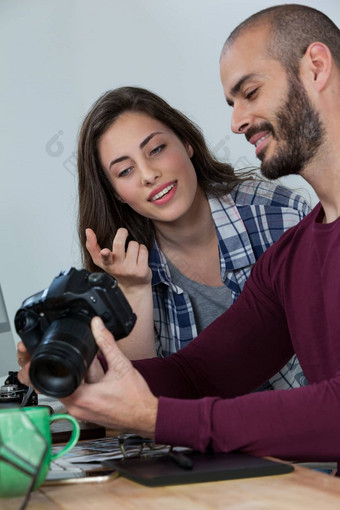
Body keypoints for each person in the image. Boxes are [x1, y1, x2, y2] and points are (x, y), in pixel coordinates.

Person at [18, 3, 340, 465]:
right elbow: (199, 373)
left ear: (316, 66)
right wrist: (82, 367)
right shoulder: (291, 257)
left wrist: (156, 418)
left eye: (249, 92)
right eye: (232, 103)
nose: (236, 121)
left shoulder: (278, 221)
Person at [77, 86, 308, 391]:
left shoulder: (280, 216)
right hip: (195, 438)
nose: (148, 174)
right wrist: (134, 290)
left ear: (186, 143)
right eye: (125, 171)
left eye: (156, 149)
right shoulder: (124, 270)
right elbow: (136, 400)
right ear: (115, 194)